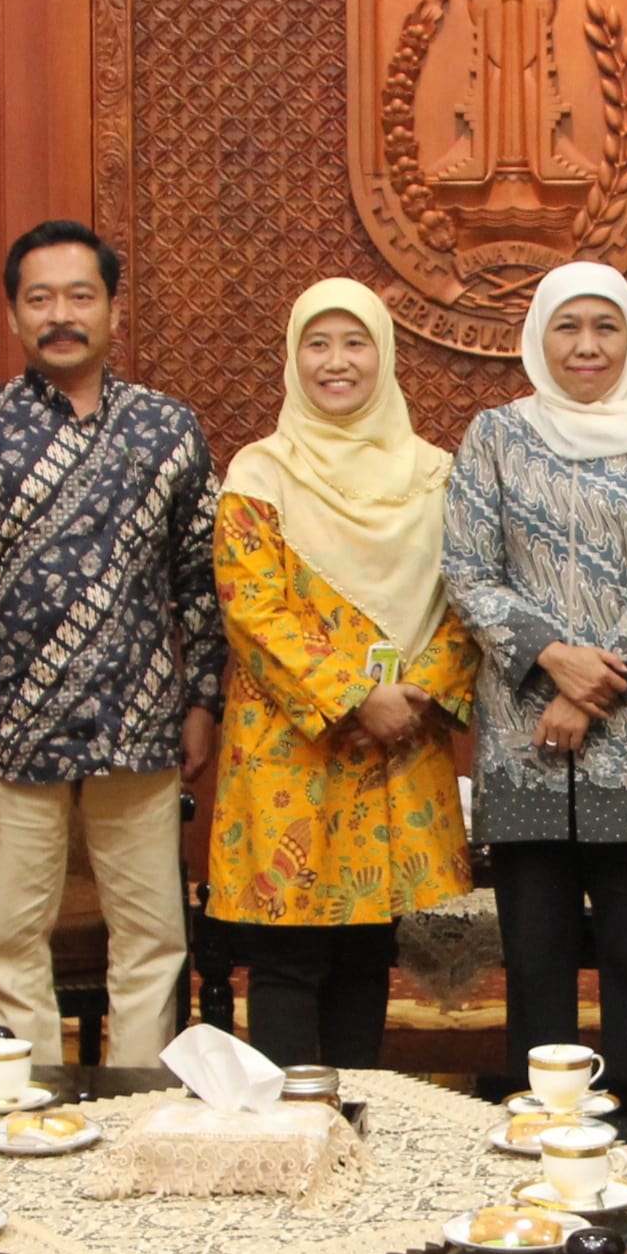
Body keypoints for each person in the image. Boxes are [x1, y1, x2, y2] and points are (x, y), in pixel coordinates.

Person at [0, 219, 219, 1069]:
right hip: (10, 735)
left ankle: (140, 1106)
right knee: (12, 938)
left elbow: (202, 580)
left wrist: (203, 702)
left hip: (140, 725)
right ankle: (29, 1115)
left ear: (113, 308)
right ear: (13, 315)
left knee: (153, 936)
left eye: (80, 295)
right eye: (39, 298)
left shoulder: (167, 430)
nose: (61, 315)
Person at [444, 261, 627, 1102]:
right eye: (568, 326)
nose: (588, 345)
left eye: (606, 326)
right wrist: (547, 654)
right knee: (535, 960)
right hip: (524, 736)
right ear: (537, 336)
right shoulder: (494, 436)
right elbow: (466, 568)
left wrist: (584, 686)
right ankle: (542, 1125)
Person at [204, 280, 476, 1067]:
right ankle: (292, 1126)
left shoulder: (436, 474)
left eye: (355, 343)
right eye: (316, 344)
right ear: (293, 359)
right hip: (294, 748)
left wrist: (417, 693)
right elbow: (251, 607)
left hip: (404, 740)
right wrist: (359, 696)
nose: (336, 362)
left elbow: (470, 596)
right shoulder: (260, 472)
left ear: (384, 355)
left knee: (368, 942)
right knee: (289, 948)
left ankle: (353, 1111)